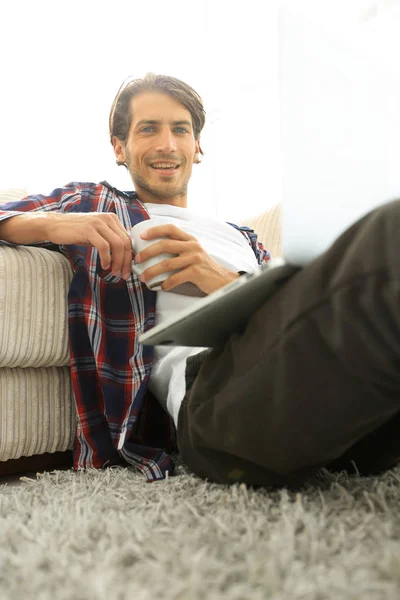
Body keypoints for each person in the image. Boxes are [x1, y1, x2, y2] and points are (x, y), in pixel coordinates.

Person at [2, 74, 400, 488]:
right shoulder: (98, 205)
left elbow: (297, 311)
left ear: (198, 147)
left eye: (180, 129)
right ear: (119, 148)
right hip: (215, 403)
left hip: (324, 387)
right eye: (148, 129)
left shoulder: (243, 238)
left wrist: (224, 281)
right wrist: (61, 223)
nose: (167, 144)